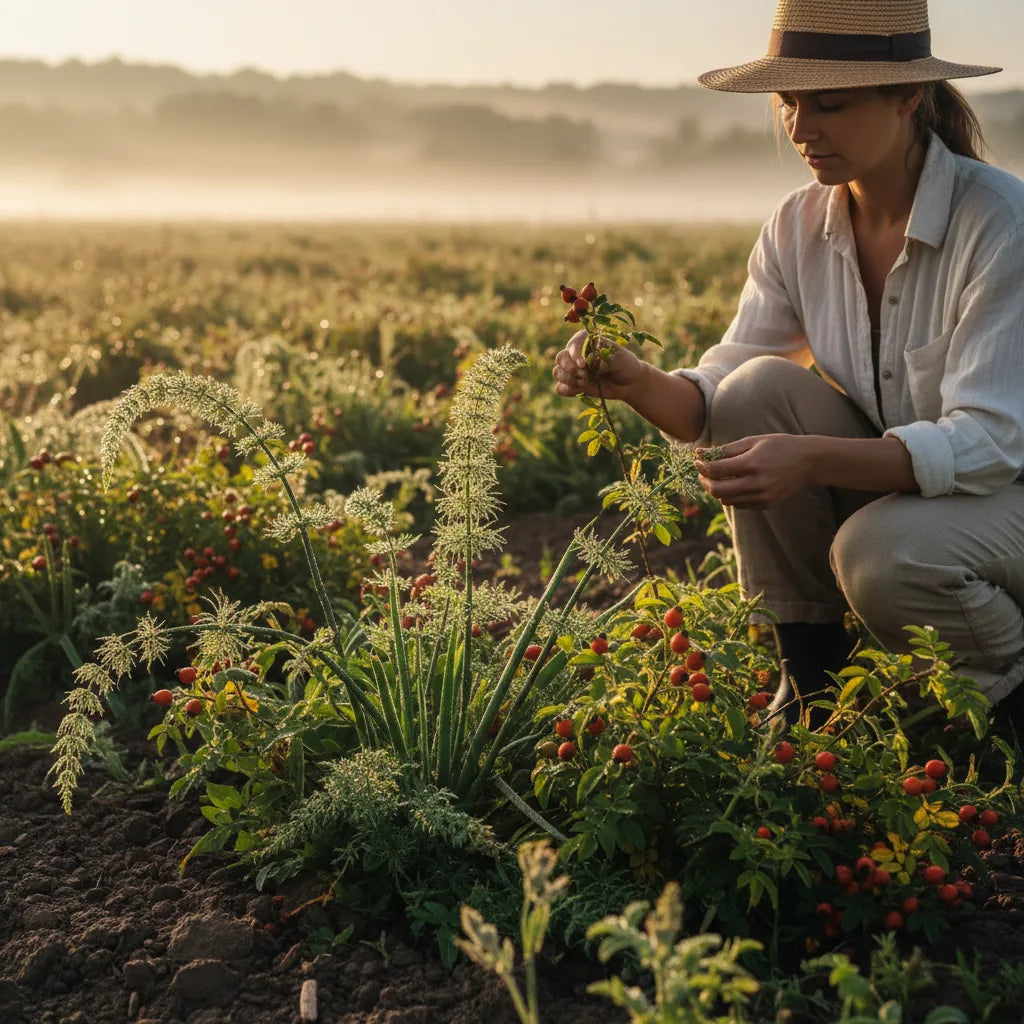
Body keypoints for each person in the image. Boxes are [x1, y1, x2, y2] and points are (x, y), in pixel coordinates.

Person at [552, 0, 1024, 728]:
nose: (802, 130)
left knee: (882, 554)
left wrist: (809, 459)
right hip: (930, 505)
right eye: (789, 104)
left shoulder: (999, 223)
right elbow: (719, 401)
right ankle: (808, 675)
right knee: (755, 391)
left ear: (909, 97)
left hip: (1007, 499)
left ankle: (1006, 691)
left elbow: (991, 445)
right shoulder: (798, 226)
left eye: (829, 105)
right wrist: (636, 380)